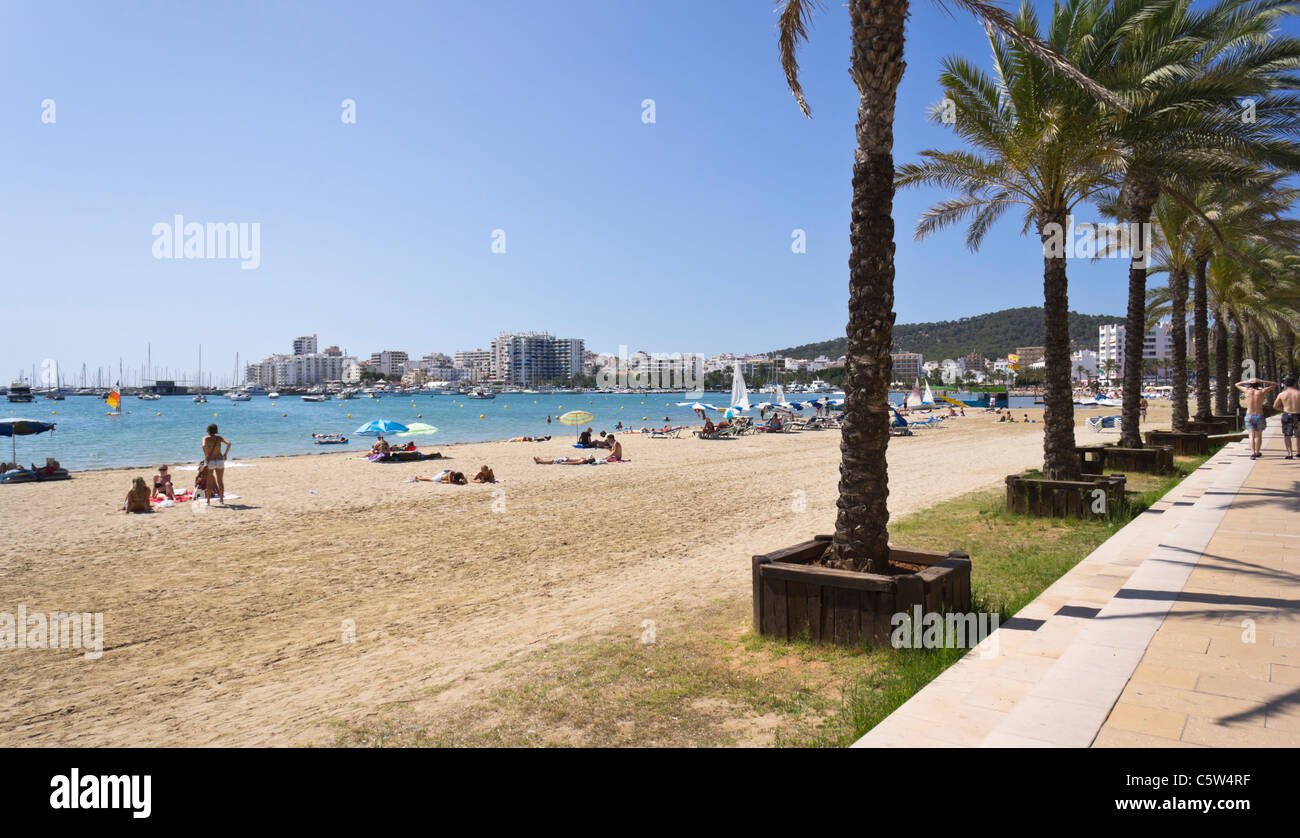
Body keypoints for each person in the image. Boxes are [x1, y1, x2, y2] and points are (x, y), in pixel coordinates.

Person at [1236, 378, 1278, 459]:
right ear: (1258, 385)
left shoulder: (1247, 391)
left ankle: (1253, 453)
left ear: (1250, 384)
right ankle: (1257, 452)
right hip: (1259, 415)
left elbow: (1237, 384)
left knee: (1251, 435)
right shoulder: (1262, 391)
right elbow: (1274, 384)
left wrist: (1248, 381)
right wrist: (1262, 381)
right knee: (1258, 436)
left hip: (1249, 416)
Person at [201, 423, 231, 505]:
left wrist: (206, 454)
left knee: (209, 481)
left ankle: (208, 501)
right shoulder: (219, 438)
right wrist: (225, 454)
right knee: (220, 481)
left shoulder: (205, 438)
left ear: (208, 430)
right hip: (219, 460)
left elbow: (203, 446)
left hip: (211, 461)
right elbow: (229, 443)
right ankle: (221, 500)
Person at [1274, 376, 1300, 460]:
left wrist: (1283, 409)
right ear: (1295, 384)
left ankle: (1290, 453)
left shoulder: (1282, 394)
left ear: (1285, 385)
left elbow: (1275, 406)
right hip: (1298, 415)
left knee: (1287, 435)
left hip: (1287, 415)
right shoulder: (1299, 393)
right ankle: (1298, 452)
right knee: (1298, 435)